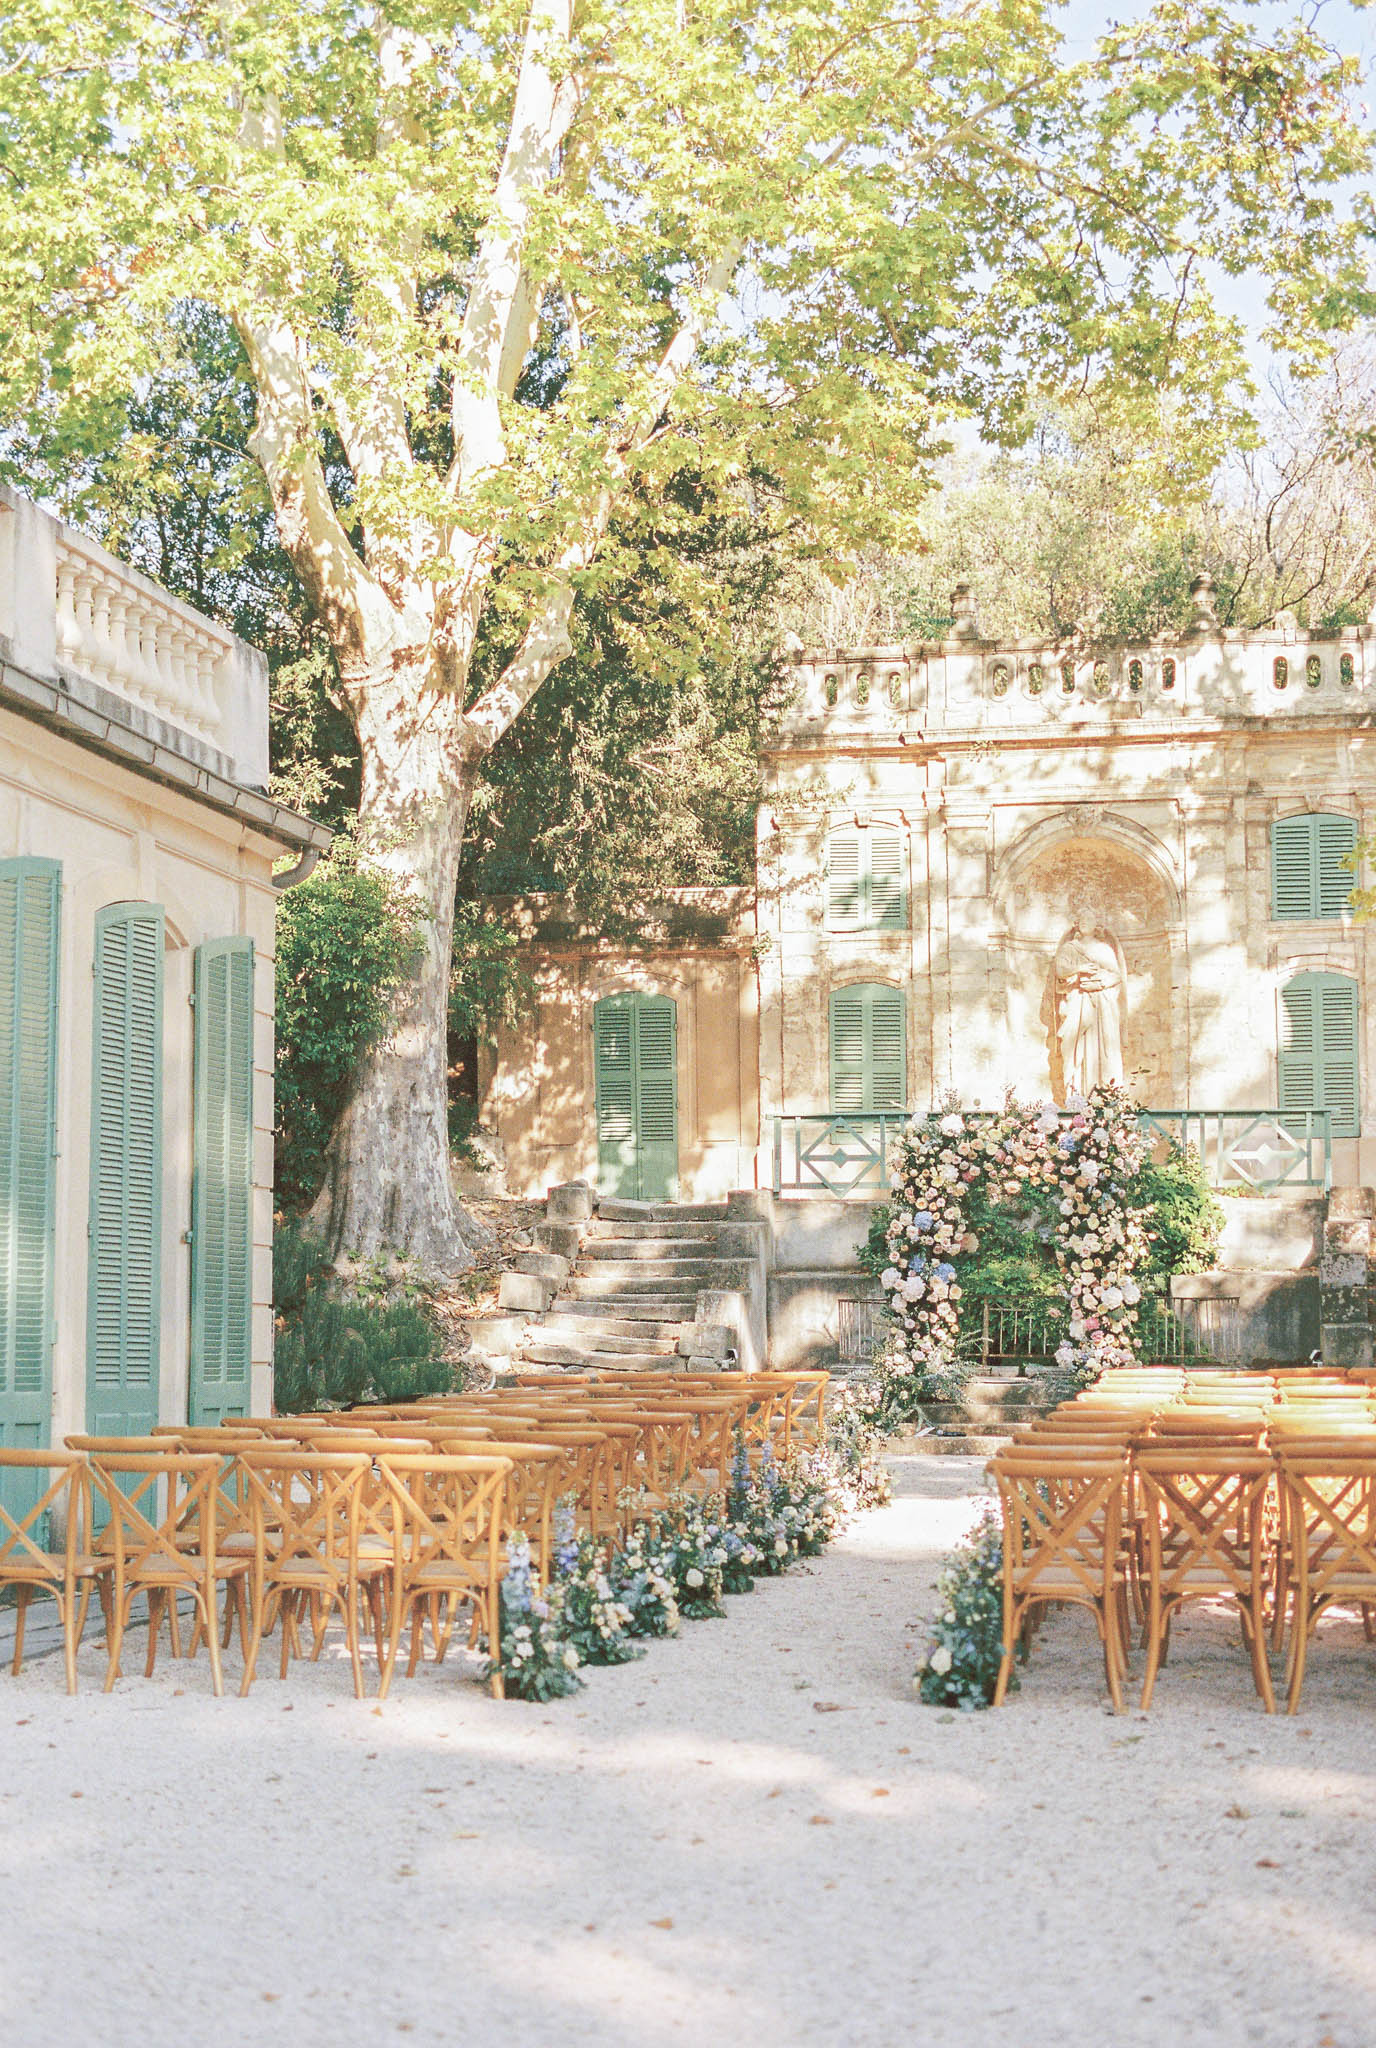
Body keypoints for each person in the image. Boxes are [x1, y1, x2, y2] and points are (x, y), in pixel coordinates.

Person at [1054, 922, 1124, 1094]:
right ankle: (1076, 1092)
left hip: (1101, 1004)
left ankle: (1106, 1093)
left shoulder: (1104, 949)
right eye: (1083, 921)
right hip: (1077, 1001)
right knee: (1075, 1045)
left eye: (1089, 920)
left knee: (1103, 1047)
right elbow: (1060, 971)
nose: (1086, 924)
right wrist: (1079, 969)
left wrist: (1099, 983)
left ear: (1095, 926)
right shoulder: (1069, 948)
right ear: (1078, 926)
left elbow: (1116, 975)